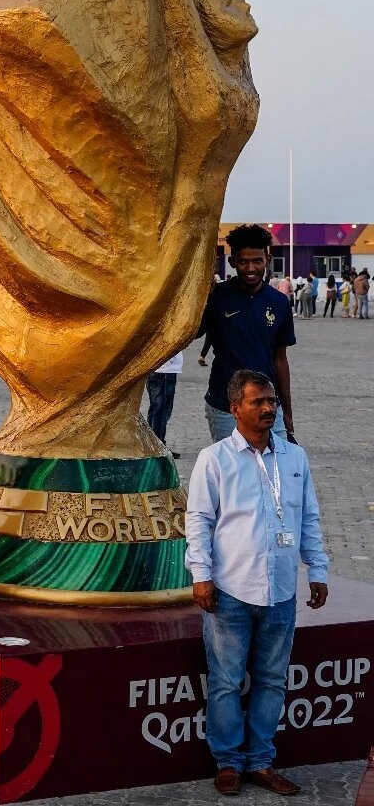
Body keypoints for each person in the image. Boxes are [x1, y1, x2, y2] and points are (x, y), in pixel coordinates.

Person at [185, 370, 328, 796]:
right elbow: (198, 521)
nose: (269, 408)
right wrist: (202, 575)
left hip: (281, 591)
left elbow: (309, 518)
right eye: (258, 402)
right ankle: (228, 762)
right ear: (235, 409)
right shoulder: (214, 459)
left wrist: (317, 569)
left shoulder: (294, 459)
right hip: (231, 589)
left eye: (272, 402)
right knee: (227, 680)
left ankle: (261, 761)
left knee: (272, 679)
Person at [197, 225, 296, 444]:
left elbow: (280, 360)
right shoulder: (217, 297)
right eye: (243, 261)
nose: (250, 268)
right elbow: (191, 334)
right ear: (232, 262)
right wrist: (199, 300)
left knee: (275, 470)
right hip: (226, 407)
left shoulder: (279, 302)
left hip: (269, 405)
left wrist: (286, 411)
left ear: (267, 259)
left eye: (257, 261)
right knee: (234, 475)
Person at [147, 346, 186, 446]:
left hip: (162, 370)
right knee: (161, 412)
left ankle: (153, 443)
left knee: (156, 410)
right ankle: (158, 445)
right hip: (164, 371)